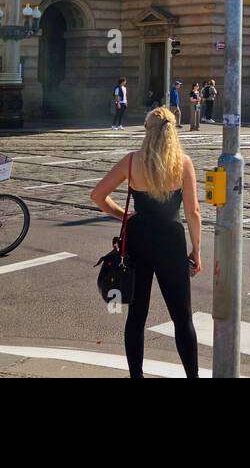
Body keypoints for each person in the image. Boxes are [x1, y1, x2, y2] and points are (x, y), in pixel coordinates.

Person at [90, 106, 201, 378]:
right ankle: (193, 376)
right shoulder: (183, 163)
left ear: (146, 132)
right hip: (171, 241)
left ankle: (136, 375)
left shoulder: (132, 161)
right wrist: (197, 250)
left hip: (138, 239)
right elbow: (193, 212)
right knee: (182, 317)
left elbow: (97, 195)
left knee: (136, 316)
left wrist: (122, 215)